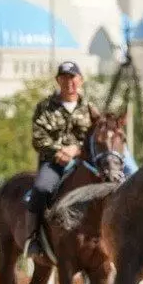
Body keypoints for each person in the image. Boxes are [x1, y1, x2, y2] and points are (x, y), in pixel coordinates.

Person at [26, 61, 98, 264]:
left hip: (83, 163)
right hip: (54, 162)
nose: (70, 82)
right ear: (58, 80)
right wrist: (58, 151)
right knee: (41, 189)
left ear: (81, 80)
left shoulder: (90, 109)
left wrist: (77, 149)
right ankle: (34, 238)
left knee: (110, 188)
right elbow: (38, 137)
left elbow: (96, 137)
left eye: (73, 77)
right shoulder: (45, 107)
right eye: (65, 78)